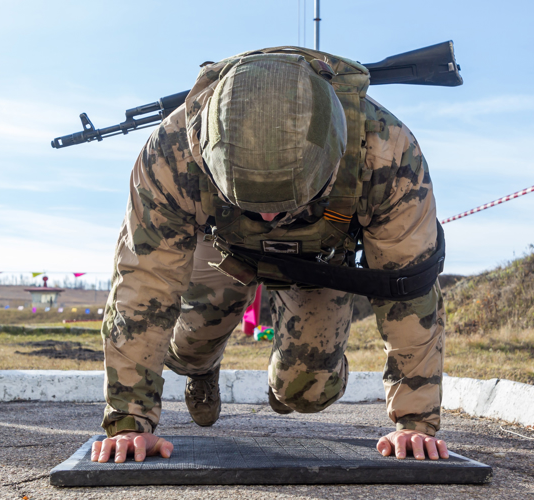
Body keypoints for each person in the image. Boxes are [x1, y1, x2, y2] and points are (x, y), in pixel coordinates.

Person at [91, 47, 448, 465]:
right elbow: (143, 285)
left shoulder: (387, 154)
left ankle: (286, 386)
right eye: (255, 203)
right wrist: (129, 421)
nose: (267, 216)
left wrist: (415, 423)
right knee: (186, 350)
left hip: (319, 258)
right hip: (223, 247)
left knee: (308, 393)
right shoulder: (171, 155)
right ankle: (203, 370)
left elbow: (408, 294)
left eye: (282, 201)